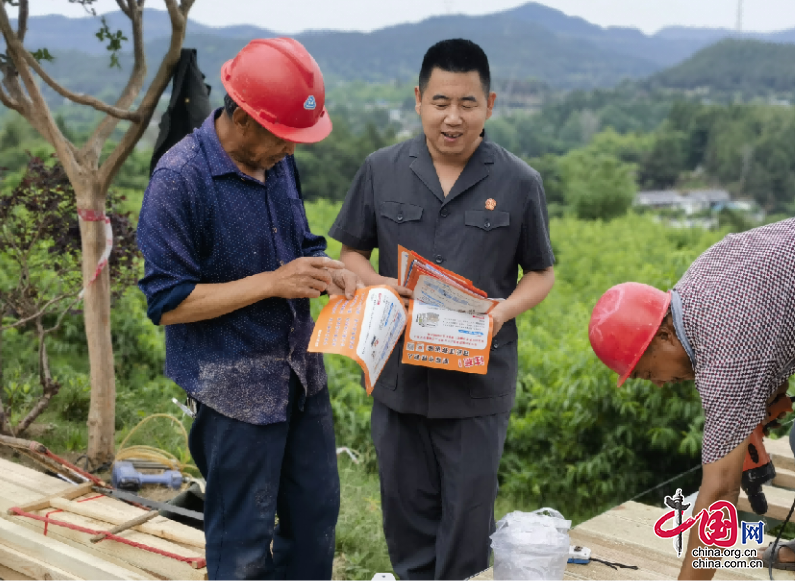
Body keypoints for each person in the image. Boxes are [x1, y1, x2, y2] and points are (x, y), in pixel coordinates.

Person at [329, 38, 556, 580]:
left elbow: (541, 273)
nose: (452, 118)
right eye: (440, 102)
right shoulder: (382, 170)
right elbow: (351, 253)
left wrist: (502, 311)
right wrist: (384, 285)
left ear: (490, 105)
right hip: (399, 377)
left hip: (477, 387)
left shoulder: (519, 182)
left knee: (467, 523)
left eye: (467, 104)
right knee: (405, 517)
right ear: (418, 100)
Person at [137, 38, 361, 580]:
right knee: (241, 546)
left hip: (300, 375)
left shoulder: (279, 161)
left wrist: (328, 270)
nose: (291, 150)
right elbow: (167, 303)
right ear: (240, 118)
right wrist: (271, 283)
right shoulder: (180, 179)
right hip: (232, 391)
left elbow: (301, 245)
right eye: (283, 137)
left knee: (313, 526)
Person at [588, 218, 795, 580]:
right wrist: (771, 391)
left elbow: (720, 490)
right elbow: (773, 308)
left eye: (649, 373)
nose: (659, 385)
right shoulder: (697, 282)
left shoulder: (723, 358)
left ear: (665, 334)